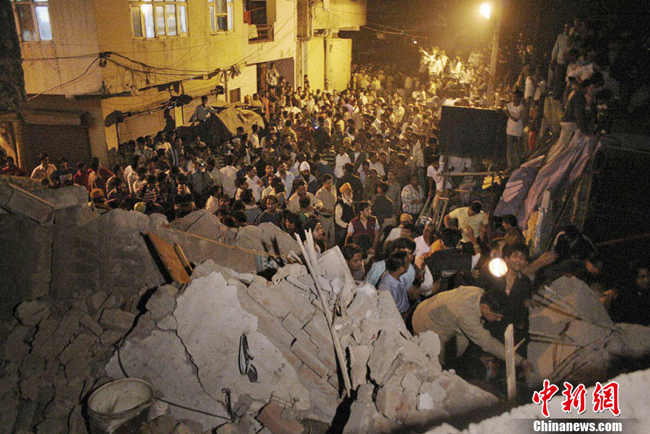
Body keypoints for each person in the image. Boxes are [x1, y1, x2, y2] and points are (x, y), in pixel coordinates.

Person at [412, 286, 533, 370]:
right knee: (449, 355)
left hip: (428, 309)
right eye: (497, 316)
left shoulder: (479, 293)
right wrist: (521, 361)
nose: (499, 320)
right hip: (425, 324)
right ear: (485, 308)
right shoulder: (466, 314)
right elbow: (488, 343)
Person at [477, 241, 533, 347]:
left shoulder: (526, 282)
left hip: (507, 331)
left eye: (522, 257)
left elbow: (523, 310)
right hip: (486, 326)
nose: (518, 260)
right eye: (515, 256)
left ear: (526, 262)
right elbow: (477, 292)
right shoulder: (492, 273)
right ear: (507, 258)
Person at [424, 228, 480, 293]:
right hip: (462, 297)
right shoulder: (468, 258)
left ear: (442, 242)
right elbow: (479, 257)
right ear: (458, 242)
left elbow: (427, 287)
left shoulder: (432, 260)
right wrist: (472, 238)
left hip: (440, 299)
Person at [377, 251, 411, 316]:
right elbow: (387, 314)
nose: (409, 264)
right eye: (407, 263)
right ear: (401, 268)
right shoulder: (385, 288)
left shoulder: (399, 276)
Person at [315, 174, 337, 247]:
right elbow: (317, 207)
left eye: (331, 182)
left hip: (332, 218)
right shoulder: (319, 193)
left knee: (333, 237)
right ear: (323, 183)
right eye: (328, 183)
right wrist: (327, 210)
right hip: (324, 218)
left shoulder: (333, 189)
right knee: (324, 237)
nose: (330, 184)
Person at [505, 89, 525, 170]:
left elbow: (516, 119)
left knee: (518, 149)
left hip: (518, 130)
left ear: (520, 98)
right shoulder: (509, 105)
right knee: (509, 149)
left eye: (517, 97)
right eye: (514, 97)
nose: (515, 99)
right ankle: (510, 166)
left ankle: (518, 165)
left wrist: (507, 114)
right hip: (510, 129)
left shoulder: (521, 107)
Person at [334, 183, 355, 247]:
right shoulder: (339, 205)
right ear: (343, 194)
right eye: (347, 192)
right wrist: (347, 225)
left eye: (350, 191)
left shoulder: (351, 202)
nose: (349, 193)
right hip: (342, 230)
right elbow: (337, 220)